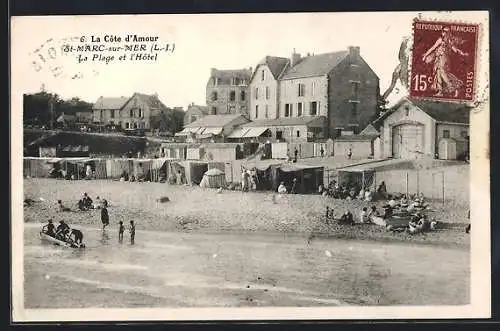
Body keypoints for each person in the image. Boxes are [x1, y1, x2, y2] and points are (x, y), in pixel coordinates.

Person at [421, 26, 469, 97]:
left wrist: (462, 53)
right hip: (439, 58)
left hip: (443, 59)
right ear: (442, 32)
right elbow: (433, 48)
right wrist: (425, 55)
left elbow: (455, 50)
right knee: (438, 74)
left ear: (449, 33)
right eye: (444, 31)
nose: (445, 33)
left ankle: (453, 87)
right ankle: (440, 92)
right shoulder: (442, 40)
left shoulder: (447, 41)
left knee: (443, 74)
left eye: (446, 32)